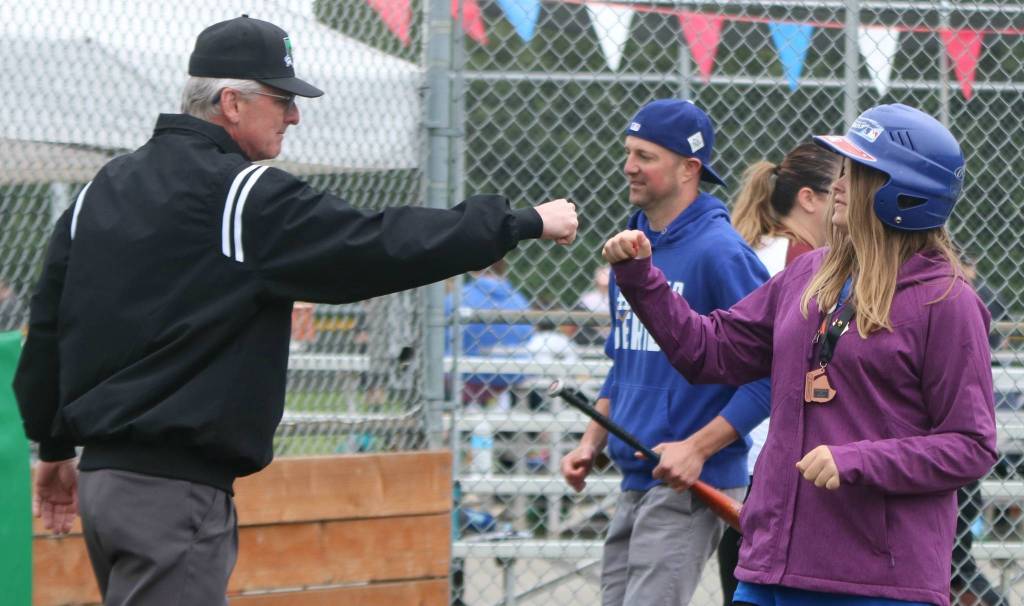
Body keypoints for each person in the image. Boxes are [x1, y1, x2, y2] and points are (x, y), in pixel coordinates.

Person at [14, 15, 577, 606]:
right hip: (172, 490)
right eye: (281, 99)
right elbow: (377, 243)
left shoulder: (101, 189)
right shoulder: (242, 192)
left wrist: (53, 448)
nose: (294, 114)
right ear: (231, 102)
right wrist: (518, 222)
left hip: (108, 482)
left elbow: (49, 328)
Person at [603, 103, 997, 606]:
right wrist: (642, 279)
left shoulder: (947, 302)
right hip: (769, 568)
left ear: (903, 194)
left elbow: (970, 444)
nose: (837, 183)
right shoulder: (808, 274)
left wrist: (858, 460)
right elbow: (708, 353)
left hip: (874, 583)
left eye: (856, 173)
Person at [560, 98, 771, 606]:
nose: (629, 165)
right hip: (635, 476)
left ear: (690, 168)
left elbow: (770, 375)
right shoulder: (632, 248)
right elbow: (624, 361)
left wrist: (698, 449)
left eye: (647, 156)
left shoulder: (721, 252)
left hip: (686, 483)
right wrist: (591, 440)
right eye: (629, 152)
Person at [718, 142, 841, 605]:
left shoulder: (753, 245)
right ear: (809, 199)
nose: (850, 198)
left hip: (750, 457)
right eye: (841, 188)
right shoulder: (801, 262)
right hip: (775, 460)